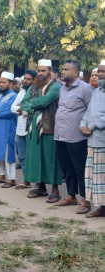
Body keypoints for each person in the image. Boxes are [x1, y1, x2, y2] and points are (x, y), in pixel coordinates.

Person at [54, 60, 93, 212]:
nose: (62, 72)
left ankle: (85, 199)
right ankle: (71, 195)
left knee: (80, 168)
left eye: (66, 69)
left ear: (75, 72)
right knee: (67, 167)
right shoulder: (63, 88)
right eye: (62, 69)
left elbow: (91, 110)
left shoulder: (86, 89)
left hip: (77, 136)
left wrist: (86, 127)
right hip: (60, 134)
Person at [21, 59, 62, 202]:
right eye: (38, 70)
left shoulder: (55, 86)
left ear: (50, 71)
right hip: (33, 128)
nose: (40, 73)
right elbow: (23, 103)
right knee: (36, 158)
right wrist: (33, 104)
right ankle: (41, 187)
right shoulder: (33, 87)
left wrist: (33, 103)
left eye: (43, 71)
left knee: (50, 159)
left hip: (49, 127)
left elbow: (46, 101)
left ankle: (55, 190)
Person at [81, 60, 105, 218]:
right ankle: (101, 207)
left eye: (104, 72)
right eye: (100, 71)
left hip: (102, 141)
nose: (101, 74)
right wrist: (82, 125)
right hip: (93, 141)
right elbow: (88, 112)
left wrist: (92, 126)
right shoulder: (97, 92)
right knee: (96, 176)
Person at [11, 69, 37, 190]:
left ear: (33, 81)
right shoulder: (21, 93)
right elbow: (12, 107)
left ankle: (36, 183)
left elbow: (33, 109)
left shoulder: (36, 92)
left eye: (28, 79)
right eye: (24, 79)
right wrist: (21, 109)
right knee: (22, 156)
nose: (25, 81)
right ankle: (26, 181)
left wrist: (23, 109)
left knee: (32, 157)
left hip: (32, 129)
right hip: (20, 129)